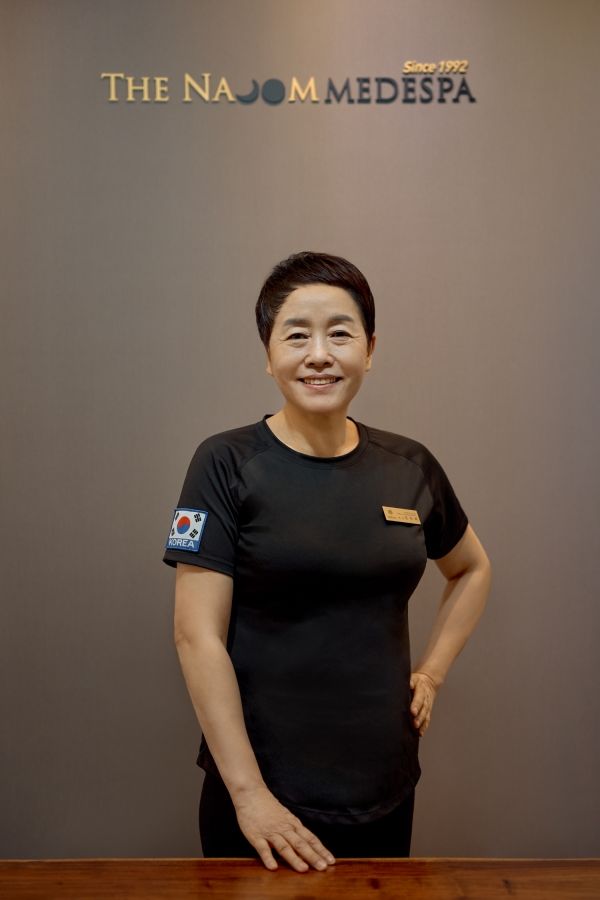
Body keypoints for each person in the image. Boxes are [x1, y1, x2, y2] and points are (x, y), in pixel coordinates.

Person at [163, 251, 491, 872]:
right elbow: (194, 636)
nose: (319, 354)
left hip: (385, 788)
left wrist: (432, 672)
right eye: (296, 336)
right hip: (263, 799)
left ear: (370, 349)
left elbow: (472, 568)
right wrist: (249, 796)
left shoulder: (410, 466)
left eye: (340, 333)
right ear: (269, 355)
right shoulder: (225, 464)